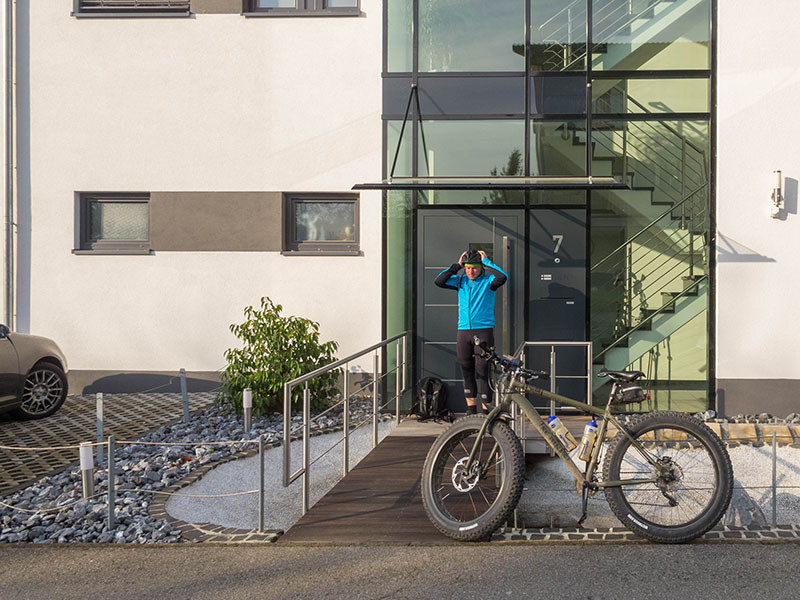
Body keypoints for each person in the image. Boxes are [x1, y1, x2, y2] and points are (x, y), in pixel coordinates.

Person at [434, 249, 508, 415]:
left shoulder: (489, 281)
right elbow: (439, 281)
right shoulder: (460, 281)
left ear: (480, 267)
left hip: (483, 330)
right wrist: (457, 265)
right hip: (463, 331)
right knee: (466, 369)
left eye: (474, 268)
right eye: (467, 268)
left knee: (483, 370)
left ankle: (485, 411)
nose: (470, 271)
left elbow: (503, 277)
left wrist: (487, 262)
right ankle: (471, 409)